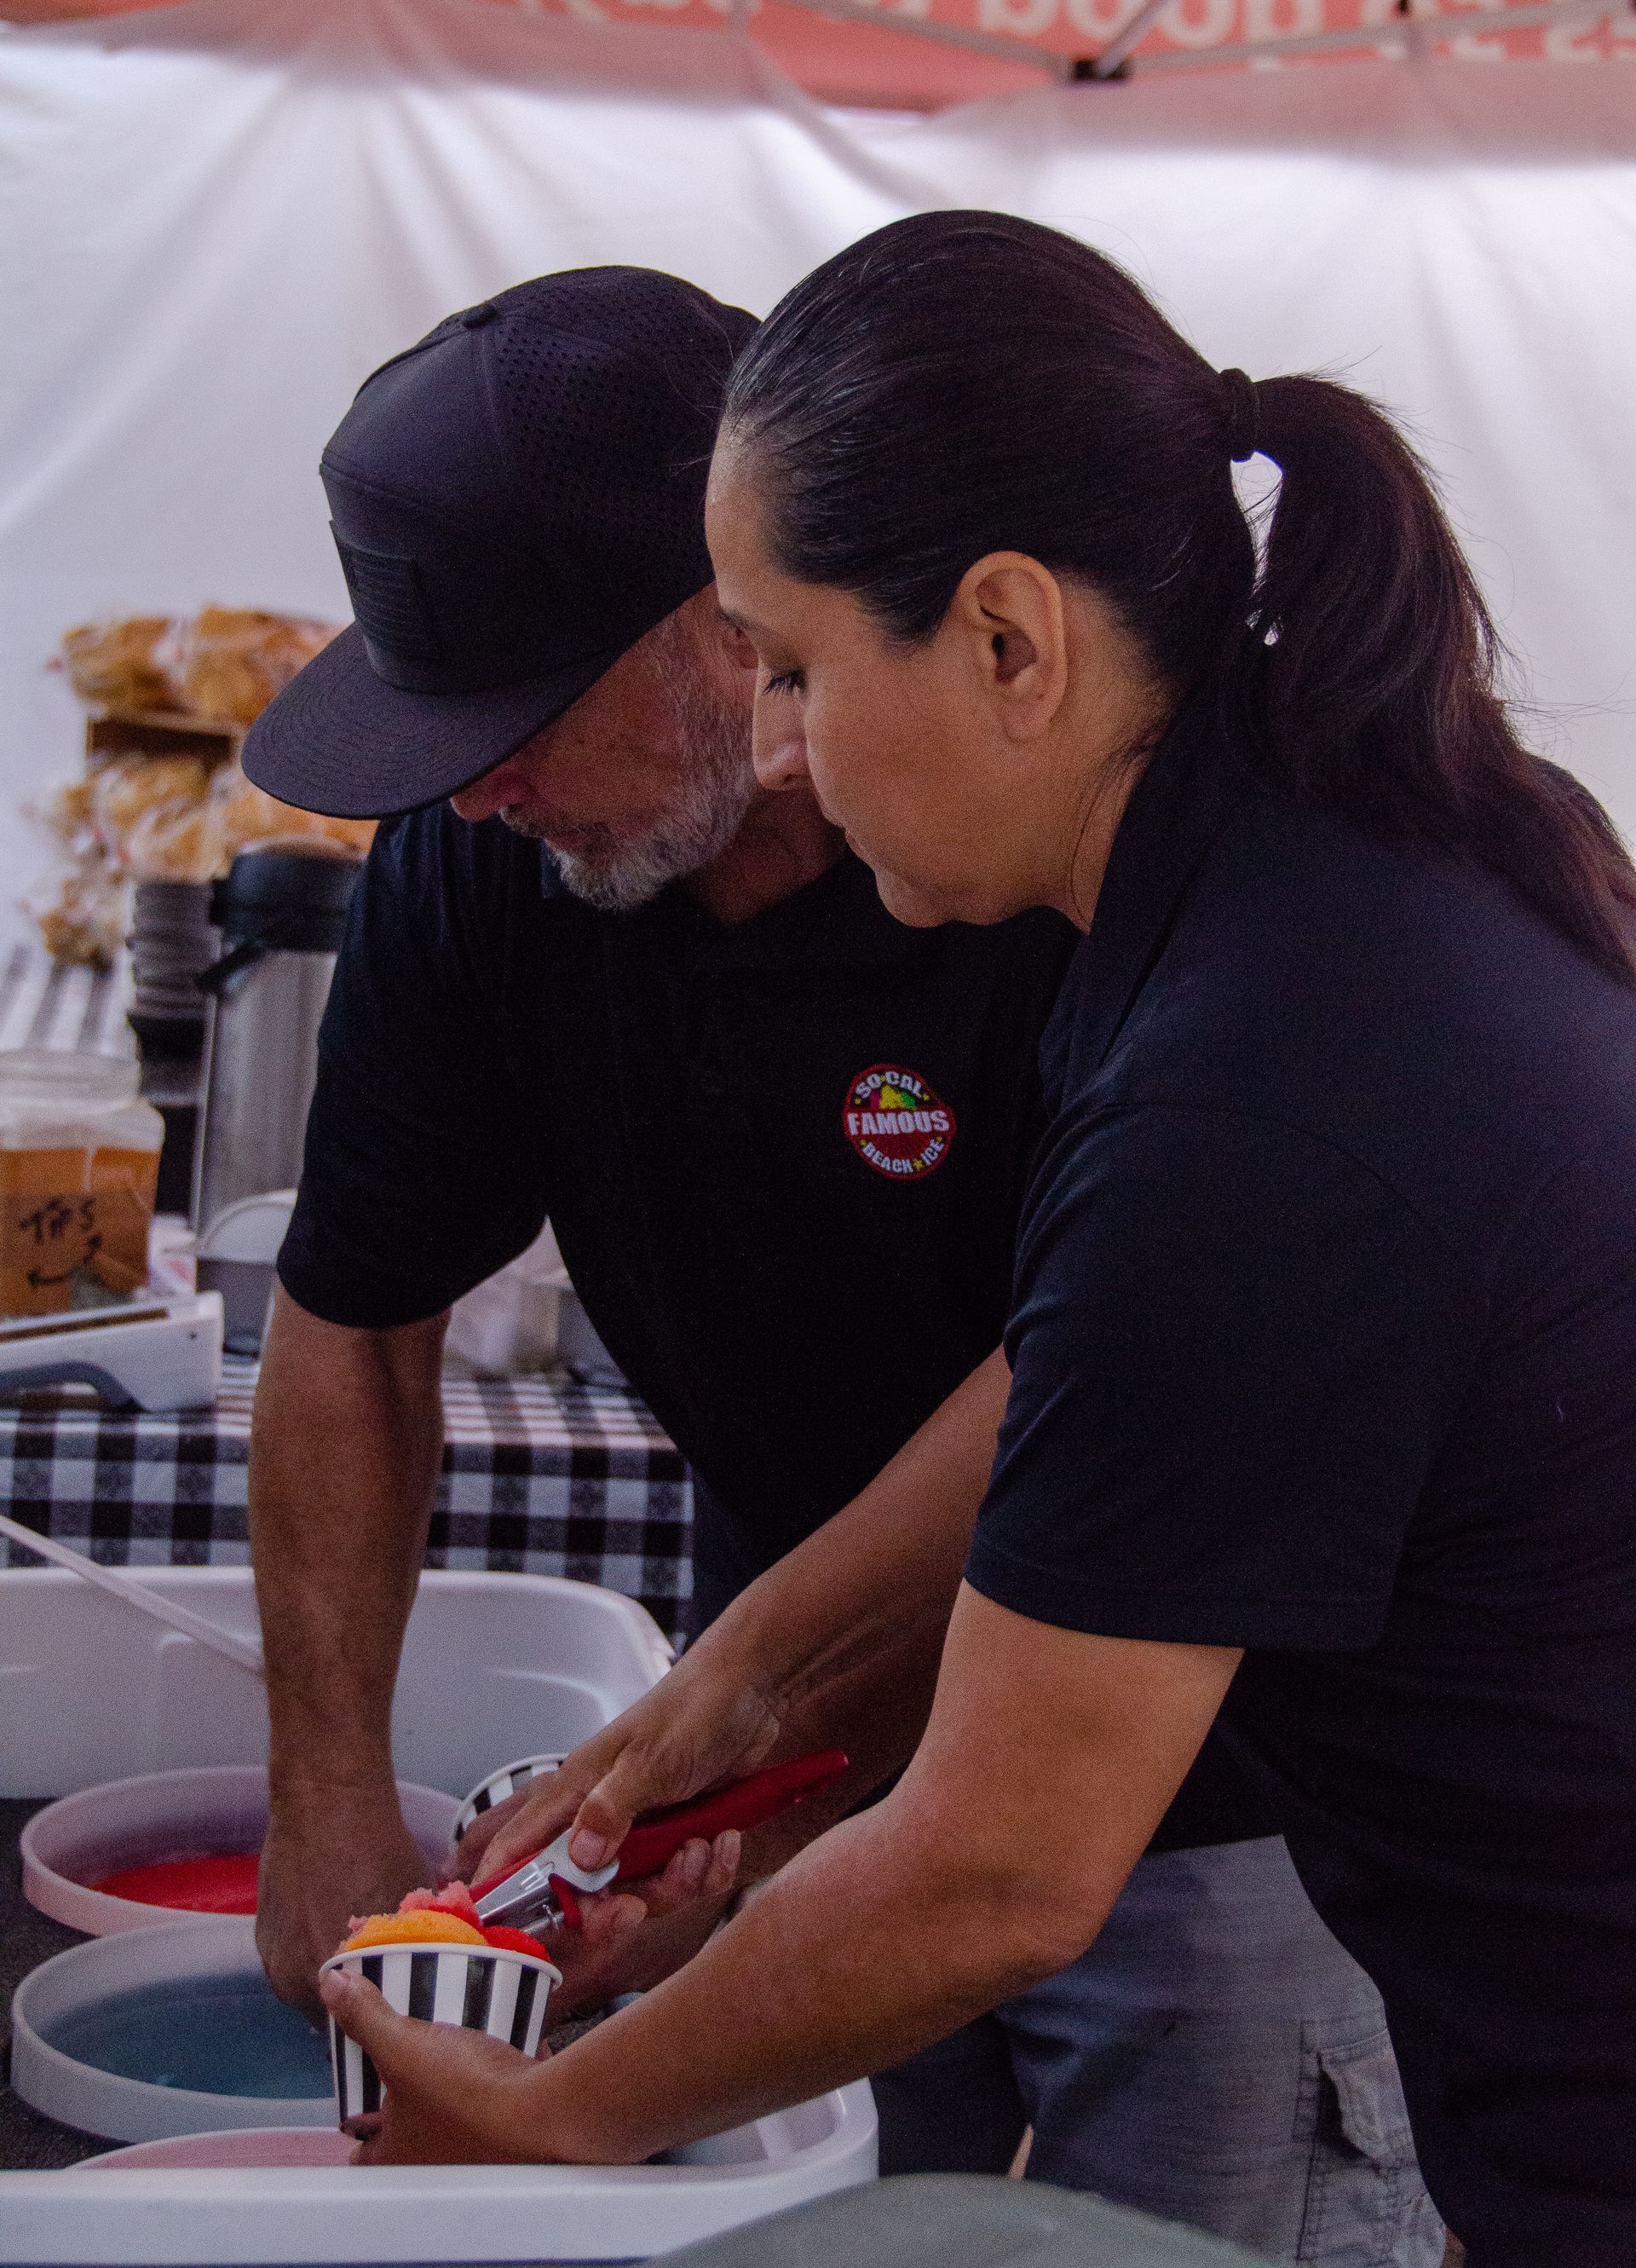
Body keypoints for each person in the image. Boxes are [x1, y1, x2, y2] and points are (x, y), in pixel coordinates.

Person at [319, 215, 1636, 2268]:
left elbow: (999, 1870)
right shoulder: (1292, 875)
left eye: (794, 665)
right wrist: (753, 1694)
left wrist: (553, 2118)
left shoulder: (1265, 1074)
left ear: (1012, 641)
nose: (775, 744)